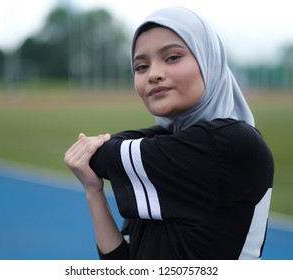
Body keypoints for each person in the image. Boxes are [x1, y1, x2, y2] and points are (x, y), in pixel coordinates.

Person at [64, 6, 274, 260]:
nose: (154, 74)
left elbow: (102, 156)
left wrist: (97, 154)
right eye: (141, 66)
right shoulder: (164, 150)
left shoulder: (232, 142)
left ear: (208, 60)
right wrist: (93, 192)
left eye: (172, 57)